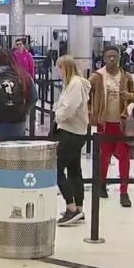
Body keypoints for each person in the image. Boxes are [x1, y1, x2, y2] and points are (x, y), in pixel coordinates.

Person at [88, 46, 134, 208]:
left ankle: (124, 192)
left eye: (114, 56)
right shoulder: (97, 77)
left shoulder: (126, 76)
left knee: (124, 157)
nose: (111, 59)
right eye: (108, 56)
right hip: (104, 124)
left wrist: (128, 96)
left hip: (121, 124)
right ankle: (101, 184)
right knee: (104, 158)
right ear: (104, 58)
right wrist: (91, 112)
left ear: (119, 58)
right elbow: (87, 94)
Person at [53, 55, 91, 226]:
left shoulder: (75, 84)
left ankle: (71, 207)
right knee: (74, 170)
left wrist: (58, 115)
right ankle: (79, 208)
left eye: (58, 68)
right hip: (76, 131)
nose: (57, 72)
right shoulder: (73, 84)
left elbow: (68, 108)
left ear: (64, 67)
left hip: (70, 132)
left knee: (57, 167)